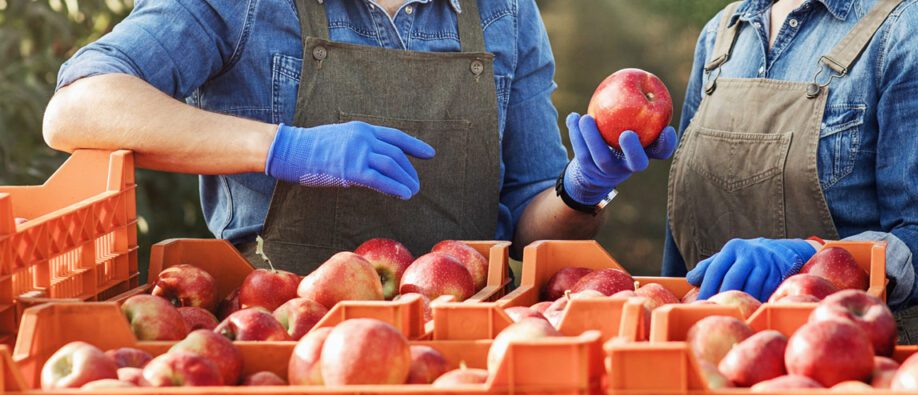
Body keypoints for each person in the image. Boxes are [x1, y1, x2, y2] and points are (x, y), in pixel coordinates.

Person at [43, 0, 676, 274]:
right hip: (279, 330)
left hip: (464, 340)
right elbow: (77, 108)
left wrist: (579, 193)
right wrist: (284, 149)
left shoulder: (504, 12)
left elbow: (531, 229)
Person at [662, 0, 918, 342]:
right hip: (714, 343)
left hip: (847, 350)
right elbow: (680, 245)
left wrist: (817, 258)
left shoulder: (908, 28)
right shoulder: (722, 33)